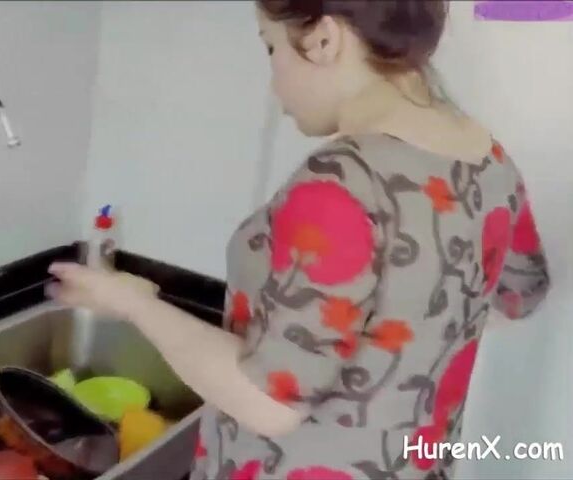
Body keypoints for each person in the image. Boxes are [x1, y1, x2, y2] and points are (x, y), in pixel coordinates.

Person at [46, 1, 552, 478]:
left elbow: (270, 402)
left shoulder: (341, 181)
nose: (274, 83)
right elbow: (520, 294)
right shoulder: (489, 163)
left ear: (325, 39)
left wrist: (133, 304)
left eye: (271, 46)